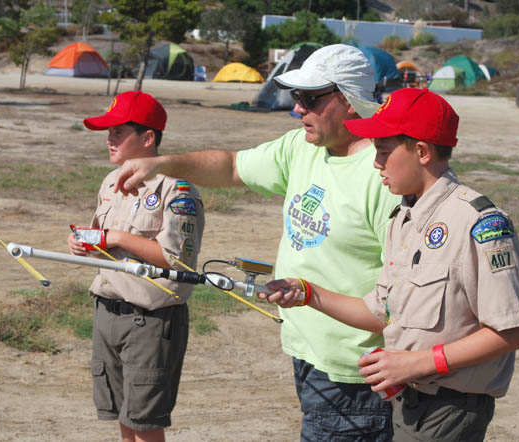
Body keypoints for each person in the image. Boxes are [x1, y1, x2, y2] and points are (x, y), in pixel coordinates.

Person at [113, 44, 401, 441]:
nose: (296, 108)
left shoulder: (384, 175)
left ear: (349, 101)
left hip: (355, 371)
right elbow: (232, 166)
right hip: (307, 351)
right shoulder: (301, 147)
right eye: (296, 96)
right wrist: (161, 164)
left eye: (310, 98)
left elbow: (398, 298)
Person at [263, 88, 519, 442]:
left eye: (384, 151)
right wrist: (307, 293)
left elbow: (514, 330)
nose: (376, 163)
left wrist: (419, 363)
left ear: (421, 152)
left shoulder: (477, 223)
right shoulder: (404, 218)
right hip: (408, 402)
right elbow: (381, 311)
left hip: (449, 410)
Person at [68, 90, 205, 442]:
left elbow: (177, 259)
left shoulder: (178, 189)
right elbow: (105, 244)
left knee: (145, 424)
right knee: (123, 418)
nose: (110, 140)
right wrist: (86, 243)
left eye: (118, 132)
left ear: (147, 138)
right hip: (108, 311)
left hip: (150, 319)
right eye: (108, 132)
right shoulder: (110, 183)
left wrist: (114, 237)